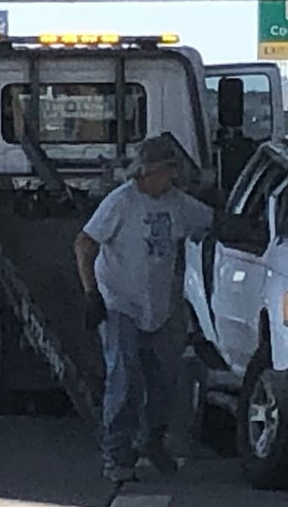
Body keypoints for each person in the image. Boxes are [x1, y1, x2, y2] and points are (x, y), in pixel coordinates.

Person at [74, 135, 214, 483]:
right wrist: (91, 294)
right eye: (167, 170)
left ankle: (151, 441)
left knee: (165, 380)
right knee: (124, 377)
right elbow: (85, 243)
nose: (172, 178)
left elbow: (211, 222)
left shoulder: (177, 204)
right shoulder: (121, 203)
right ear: (148, 172)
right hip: (120, 300)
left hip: (160, 304)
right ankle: (117, 455)